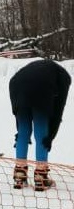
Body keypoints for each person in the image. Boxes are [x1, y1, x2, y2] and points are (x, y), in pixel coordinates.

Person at [9, 57, 71, 190]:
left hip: (16, 85)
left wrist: (19, 128)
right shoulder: (65, 78)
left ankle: (19, 174)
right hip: (40, 88)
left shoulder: (43, 69)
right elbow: (58, 109)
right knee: (41, 131)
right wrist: (50, 137)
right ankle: (41, 177)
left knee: (23, 131)